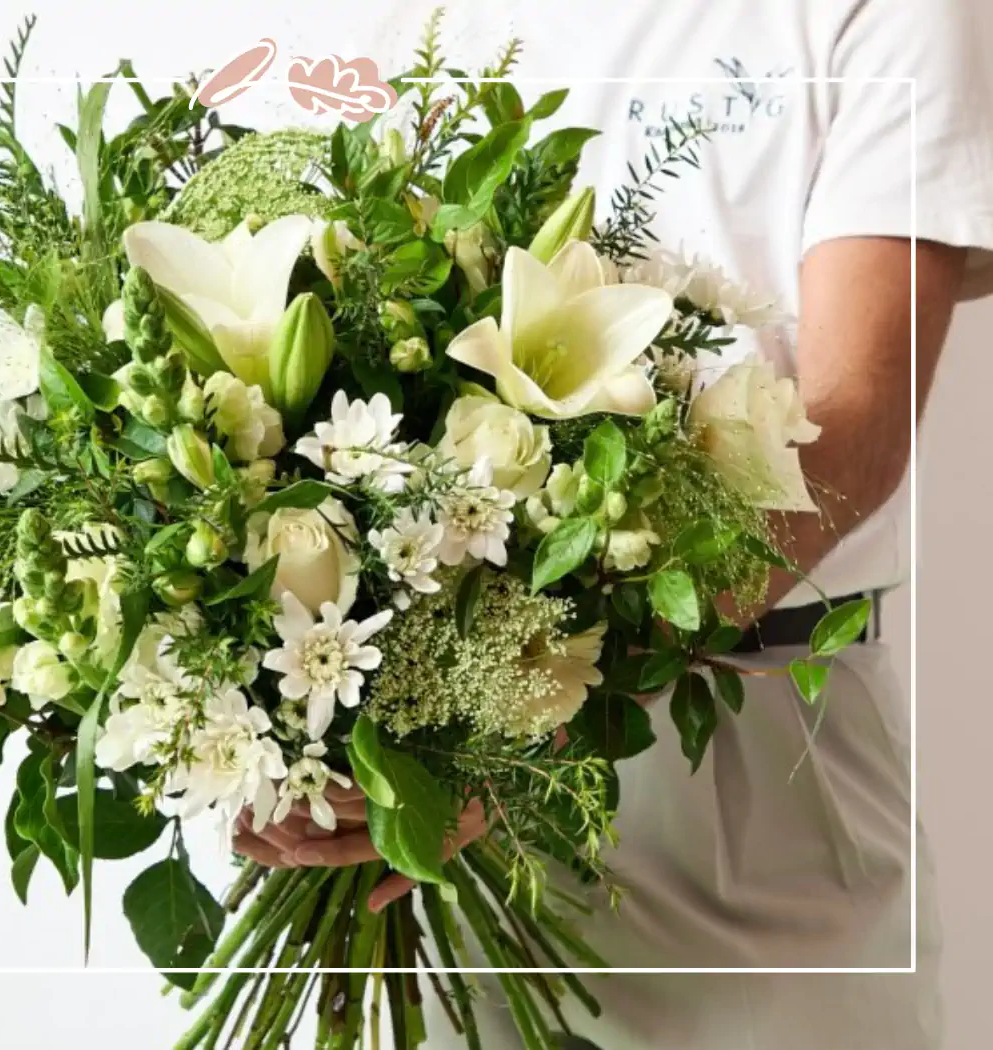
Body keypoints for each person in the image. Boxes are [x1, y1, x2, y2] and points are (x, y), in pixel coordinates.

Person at [234, 1, 993, 1047]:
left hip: (736, 766)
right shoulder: (399, 23)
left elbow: (851, 435)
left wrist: (521, 735)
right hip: (414, 773)